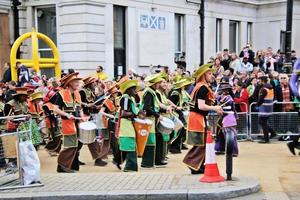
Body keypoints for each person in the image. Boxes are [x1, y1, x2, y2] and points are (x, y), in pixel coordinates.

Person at [183, 63, 223, 174]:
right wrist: (215, 107)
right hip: (197, 117)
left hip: (197, 117)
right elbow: (201, 106)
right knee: (201, 143)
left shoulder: (200, 86)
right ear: (203, 75)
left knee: (203, 142)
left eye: (211, 73)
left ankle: (198, 165)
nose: (212, 76)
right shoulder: (203, 88)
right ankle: (192, 163)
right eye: (209, 74)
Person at [54, 72, 84, 173]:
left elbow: (79, 109)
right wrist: (67, 115)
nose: (78, 83)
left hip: (77, 123)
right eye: (76, 82)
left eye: (78, 82)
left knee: (78, 144)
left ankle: (73, 166)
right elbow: (55, 109)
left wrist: (83, 117)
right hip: (67, 123)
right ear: (70, 83)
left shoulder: (77, 94)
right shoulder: (61, 93)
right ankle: (62, 166)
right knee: (70, 145)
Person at [80, 77, 108, 166]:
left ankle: (97, 158)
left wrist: (96, 106)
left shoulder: (91, 92)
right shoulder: (82, 92)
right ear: (89, 83)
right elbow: (77, 102)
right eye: (93, 83)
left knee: (89, 139)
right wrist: (87, 105)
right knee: (89, 139)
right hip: (84, 117)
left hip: (90, 116)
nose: (95, 84)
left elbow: (92, 104)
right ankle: (97, 158)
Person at [118, 79, 143, 171]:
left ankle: (129, 165)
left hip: (129, 124)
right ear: (128, 90)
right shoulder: (125, 98)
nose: (136, 91)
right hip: (126, 124)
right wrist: (136, 114)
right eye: (134, 89)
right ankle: (129, 167)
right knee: (129, 144)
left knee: (130, 144)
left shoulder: (130, 98)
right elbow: (123, 113)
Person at [140, 73, 164, 168]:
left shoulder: (151, 91)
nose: (159, 84)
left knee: (155, 138)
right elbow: (147, 108)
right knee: (149, 140)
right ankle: (147, 163)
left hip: (151, 119)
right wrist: (158, 115)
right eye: (158, 83)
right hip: (148, 119)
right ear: (154, 84)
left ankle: (154, 161)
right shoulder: (149, 92)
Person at [4, 87, 29, 172]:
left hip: (22, 128)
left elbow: (26, 114)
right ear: (19, 96)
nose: (25, 98)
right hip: (11, 129)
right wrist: (14, 121)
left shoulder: (24, 103)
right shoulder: (10, 104)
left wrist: (27, 117)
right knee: (12, 147)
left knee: (22, 146)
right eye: (24, 96)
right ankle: (11, 164)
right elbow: (7, 117)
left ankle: (22, 164)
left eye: (26, 96)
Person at [257, 76, 277, 143]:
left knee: (262, 123)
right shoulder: (271, 88)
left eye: (260, 81)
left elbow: (260, 100)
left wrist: (257, 105)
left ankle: (267, 139)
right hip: (269, 108)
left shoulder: (263, 89)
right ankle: (272, 134)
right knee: (263, 123)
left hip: (264, 108)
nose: (259, 82)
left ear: (262, 81)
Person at [43, 90, 62, 156]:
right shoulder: (46, 105)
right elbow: (49, 114)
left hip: (55, 122)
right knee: (56, 137)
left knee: (58, 136)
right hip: (51, 122)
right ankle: (49, 148)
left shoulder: (53, 105)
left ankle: (55, 150)